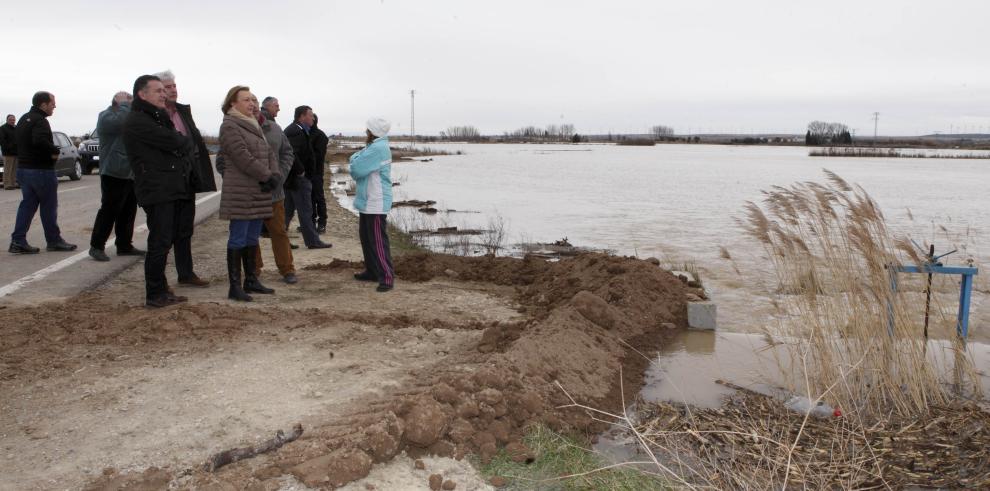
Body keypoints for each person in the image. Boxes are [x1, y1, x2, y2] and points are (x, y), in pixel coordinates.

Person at [123, 75, 197, 308]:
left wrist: (180, 142)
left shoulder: (156, 116)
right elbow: (176, 141)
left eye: (163, 91)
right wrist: (180, 141)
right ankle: (155, 293)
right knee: (160, 241)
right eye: (157, 91)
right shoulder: (138, 120)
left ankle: (162, 289)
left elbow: (181, 142)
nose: (163, 94)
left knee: (165, 240)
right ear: (142, 94)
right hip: (157, 189)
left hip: (169, 186)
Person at [155, 70, 217, 287]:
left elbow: (193, 143)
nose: (173, 90)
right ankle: (157, 281)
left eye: (173, 86)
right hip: (164, 182)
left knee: (184, 229)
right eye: (167, 87)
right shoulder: (153, 115)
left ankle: (186, 273)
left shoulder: (182, 112)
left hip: (186, 179)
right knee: (163, 233)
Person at [218, 86, 279, 301]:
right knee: (238, 237)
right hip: (241, 191)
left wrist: (275, 174)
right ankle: (235, 286)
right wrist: (267, 176)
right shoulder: (230, 125)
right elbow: (242, 156)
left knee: (252, 236)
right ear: (232, 103)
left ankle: (251, 280)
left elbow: (269, 152)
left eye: (252, 100)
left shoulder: (253, 124)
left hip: (259, 189)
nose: (251, 104)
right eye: (246, 100)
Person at [8, 91, 77, 254]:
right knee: (48, 206)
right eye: (52, 103)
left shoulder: (23, 119)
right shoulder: (40, 121)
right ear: (43, 104)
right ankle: (53, 241)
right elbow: (39, 141)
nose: (54, 106)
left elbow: (18, 143)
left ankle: (18, 241)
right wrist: (54, 150)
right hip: (40, 170)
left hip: (24, 169)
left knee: (27, 205)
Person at [88, 91, 145, 261]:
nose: (131, 103)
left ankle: (124, 244)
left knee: (128, 210)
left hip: (129, 171)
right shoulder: (106, 116)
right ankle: (96, 246)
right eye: (128, 100)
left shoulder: (127, 114)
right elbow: (120, 123)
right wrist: (125, 104)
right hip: (113, 171)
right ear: (118, 102)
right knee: (109, 210)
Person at [350, 117, 394, 292]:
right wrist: (356, 160)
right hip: (368, 200)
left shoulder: (377, 148)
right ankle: (372, 271)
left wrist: (355, 161)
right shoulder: (374, 147)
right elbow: (355, 159)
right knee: (367, 239)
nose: (365, 132)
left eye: (367, 129)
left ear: (373, 131)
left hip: (375, 201)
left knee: (377, 241)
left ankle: (387, 277)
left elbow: (356, 169)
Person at [283, 105, 331, 249]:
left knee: (288, 210)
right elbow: (291, 153)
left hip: (292, 179)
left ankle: (281, 240)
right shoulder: (296, 131)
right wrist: (301, 171)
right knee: (305, 210)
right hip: (298, 179)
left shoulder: (296, 129)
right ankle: (313, 241)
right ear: (302, 116)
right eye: (310, 115)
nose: (313, 118)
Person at [310, 113, 329, 234]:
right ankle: (310, 222)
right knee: (309, 198)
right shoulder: (305, 133)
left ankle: (322, 223)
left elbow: (319, 155)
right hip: (307, 172)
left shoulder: (321, 136)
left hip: (316, 172)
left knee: (318, 197)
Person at [1, 114, 17, 189]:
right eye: (11, 120)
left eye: (13, 120)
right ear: (7, 120)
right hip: (8, 153)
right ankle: (7, 184)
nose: (12, 121)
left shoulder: (16, 128)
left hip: (16, 152)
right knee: (8, 169)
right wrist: (9, 148)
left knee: (14, 170)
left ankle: (13, 184)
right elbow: (2, 141)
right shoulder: (3, 128)